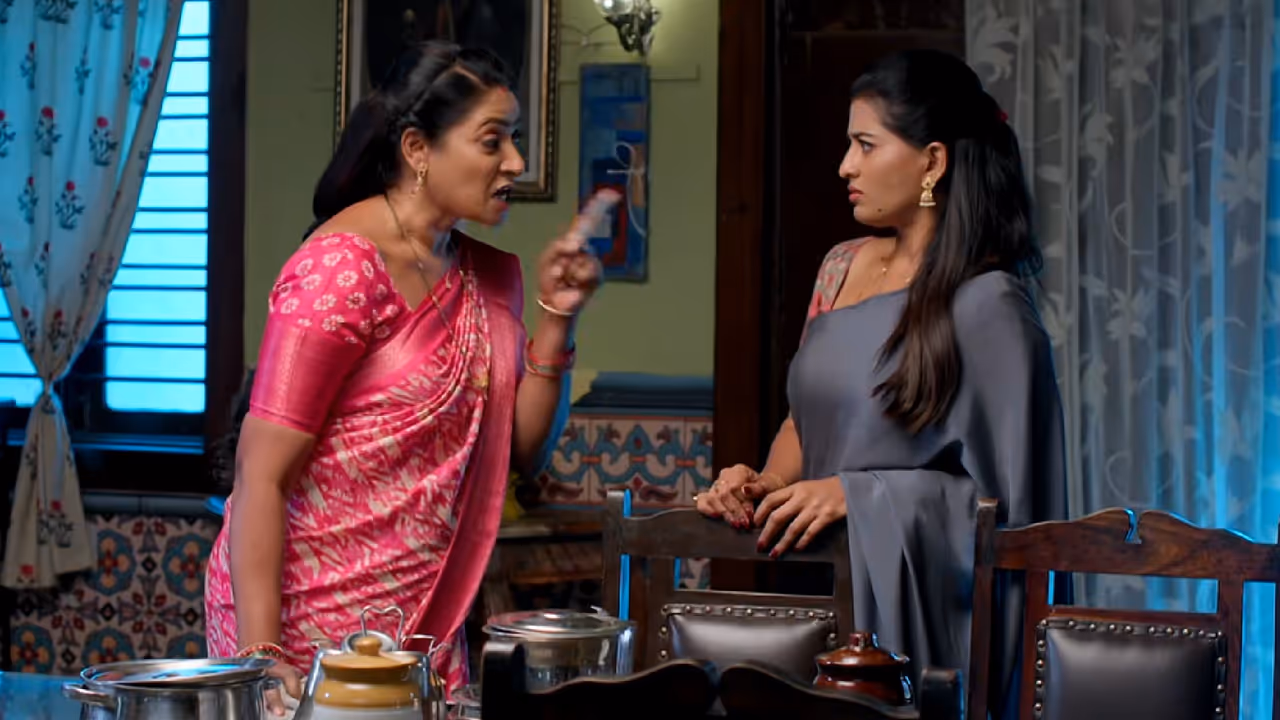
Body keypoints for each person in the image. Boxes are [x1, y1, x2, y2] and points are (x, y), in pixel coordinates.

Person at [204, 41, 614, 714]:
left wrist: (558, 316)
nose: (516, 162)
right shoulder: (341, 268)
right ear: (418, 149)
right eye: (493, 140)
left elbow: (522, 452)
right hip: (303, 631)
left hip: (421, 624)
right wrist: (262, 656)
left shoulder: (486, 277)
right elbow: (260, 475)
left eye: (514, 139)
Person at [695, 49, 1068, 718]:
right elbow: (805, 418)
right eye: (849, 145)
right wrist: (766, 482)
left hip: (921, 628)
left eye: (865, 145)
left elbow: (1014, 519)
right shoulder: (840, 267)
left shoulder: (990, 307)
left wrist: (858, 494)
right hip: (816, 591)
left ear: (932, 162)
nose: (846, 166)